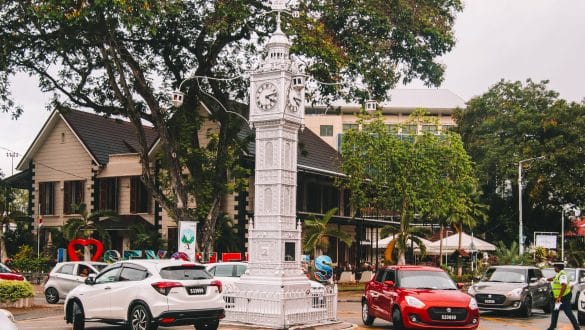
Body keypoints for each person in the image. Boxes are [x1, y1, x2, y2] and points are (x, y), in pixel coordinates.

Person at [546, 262, 580, 330]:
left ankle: (577, 328)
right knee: (555, 311)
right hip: (558, 297)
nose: (554, 268)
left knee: (568, 312)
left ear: (558, 267)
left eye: (555, 267)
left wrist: (559, 297)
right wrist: (546, 279)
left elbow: (564, 285)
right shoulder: (559, 274)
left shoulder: (562, 275)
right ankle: (552, 327)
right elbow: (554, 278)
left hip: (564, 297)